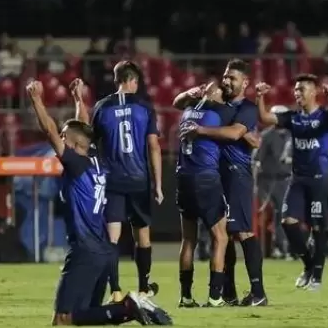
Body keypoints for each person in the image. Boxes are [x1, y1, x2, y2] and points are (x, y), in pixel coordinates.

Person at [25, 80, 171, 326]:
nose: (61, 141)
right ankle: (125, 309)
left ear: (73, 145)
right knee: (87, 315)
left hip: (85, 250)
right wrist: (78, 100)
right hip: (103, 250)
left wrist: (36, 99)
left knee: (62, 319)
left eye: (64, 139)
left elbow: (50, 131)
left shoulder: (76, 164)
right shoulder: (95, 159)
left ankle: (125, 307)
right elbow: (83, 130)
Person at [175, 59, 266, 306]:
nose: (226, 81)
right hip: (215, 175)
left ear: (244, 83)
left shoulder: (246, 108)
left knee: (241, 231)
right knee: (223, 236)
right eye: (225, 77)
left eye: (232, 78)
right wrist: (189, 94)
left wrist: (202, 131)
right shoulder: (217, 106)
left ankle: (258, 293)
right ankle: (228, 292)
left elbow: (237, 133)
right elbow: (180, 103)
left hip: (235, 173)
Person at [73, 61, 162, 302]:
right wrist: (159, 184)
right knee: (142, 236)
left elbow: (83, 136)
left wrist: (79, 101)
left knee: (112, 238)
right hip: (138, 180)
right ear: (134, 81)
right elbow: (154, 146)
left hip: (111, 181)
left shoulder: (102, 107)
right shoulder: (144, 107)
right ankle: (144, 288)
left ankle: (115, 290)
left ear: (117, 80)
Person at [256, 74, 328, 291]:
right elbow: (266, 119)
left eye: (302, 89)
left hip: (320, 179)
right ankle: (308, 265)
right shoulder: (293, 118)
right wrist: (259, 96)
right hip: (298, 179)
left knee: (318, 228)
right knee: (288, 222)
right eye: (296, 90)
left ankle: (316, 276)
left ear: (314, 92)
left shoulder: (325, 116)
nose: (297, 93)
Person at [175, 83, 234, 307]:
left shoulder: (187, 110)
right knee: (220, 236)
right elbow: (237, 129)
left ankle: (186, 296)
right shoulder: (219, 112)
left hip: (183, 176)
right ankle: (215, 296)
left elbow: (177, 101)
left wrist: (188, 92)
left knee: (188, 239)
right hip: (206, 177)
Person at [254, 105, 292, 260]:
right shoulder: (267, 136)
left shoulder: (292, 135)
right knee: (282, 214)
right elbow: (257, 161)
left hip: (288, 180)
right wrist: (257, 185)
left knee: (284, 215)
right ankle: (281, 247)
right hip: (271, 181)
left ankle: (282, 247)